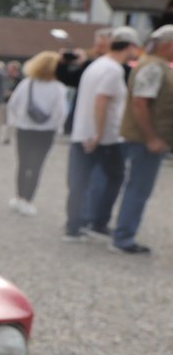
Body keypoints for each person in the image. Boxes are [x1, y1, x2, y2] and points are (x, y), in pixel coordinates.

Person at [64, 26, 139, 242]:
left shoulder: (97, 65)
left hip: (85, 132)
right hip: (105, 137)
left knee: (79, 181)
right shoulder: (113, 70)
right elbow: (101, 100)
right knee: (113, 178)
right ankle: (97, 222)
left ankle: (74, 225)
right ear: (129, 46)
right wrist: (97, 133)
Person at [109, 24, 173, 253]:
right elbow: (140, 103)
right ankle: (123, 237)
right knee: (138, 189)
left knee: (137, 188)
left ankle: (124, 234)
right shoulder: (153, 67)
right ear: (167, 45)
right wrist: (152, 138)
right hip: (144, 140)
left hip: (144, 139)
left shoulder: (154, 65)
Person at [6, 51, 68, 215]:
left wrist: (15, 121)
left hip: (24, 129)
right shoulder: (58, 88)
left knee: (23, 164)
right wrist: (58, 129)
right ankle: (28, 199)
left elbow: (13, 104)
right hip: (45, 132)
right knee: (36, 166)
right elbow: (60, 112)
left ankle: (19, 196)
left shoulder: (27, 83)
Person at [58, 28, 112, 135]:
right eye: (97, 45)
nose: (98, 49)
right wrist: (62, 64)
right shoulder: (89, 63)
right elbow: (68, 79)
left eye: (102, 46)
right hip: (81, 118)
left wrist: (85, 62)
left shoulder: (113, 66)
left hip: (101, 121)